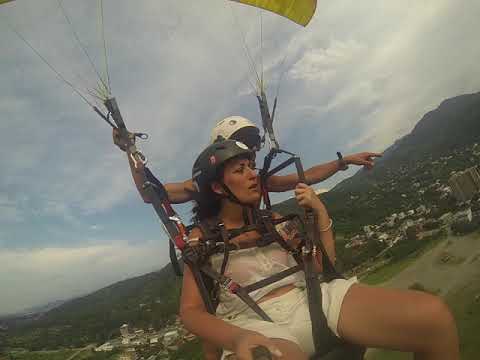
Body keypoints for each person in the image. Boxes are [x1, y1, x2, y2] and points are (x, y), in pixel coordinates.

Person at [180, 140, 460, 360]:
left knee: (432, 318)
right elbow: (192, 312)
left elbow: (318, 268)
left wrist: (321, 213)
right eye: (240, 171)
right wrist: (235, 338)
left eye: (251, 167)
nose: (253, 175)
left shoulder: (275, 222)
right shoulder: (202, 239)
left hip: (310, 299)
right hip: (253, 323)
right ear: (217, 187)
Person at [112, 116, 382, 204]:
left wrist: (343, 161)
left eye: (252, 149)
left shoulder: (258, 180)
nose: (252, 153)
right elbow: (153, 195)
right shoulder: (203, 186)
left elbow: (306, 176)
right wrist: (130, 151)